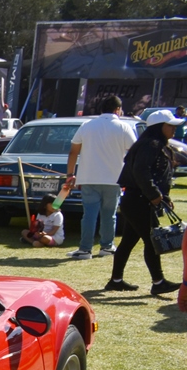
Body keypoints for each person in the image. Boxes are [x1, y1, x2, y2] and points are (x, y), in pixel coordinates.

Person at [105, 109, 184, 295]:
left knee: (128, 241)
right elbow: (141, 171)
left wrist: (164, 197)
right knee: (152, 241)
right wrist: (155, 194)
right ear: (159, 127)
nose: (173, 129)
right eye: (170, 125)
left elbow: (155, 175)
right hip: (140, 200)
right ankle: (158, 282)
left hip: (138, 200)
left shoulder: (153, 144)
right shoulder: (151, 144)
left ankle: (115, 280)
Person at [65, 96, 135, 260]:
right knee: (109, 214)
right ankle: (107, 246)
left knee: (89, 214)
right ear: (118, 109)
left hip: (88, 177)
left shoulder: (87, 125)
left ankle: (85, 249)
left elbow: (73, 151)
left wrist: (70, 174)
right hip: (114, 178)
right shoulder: (124, 126)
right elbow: (133, 151)